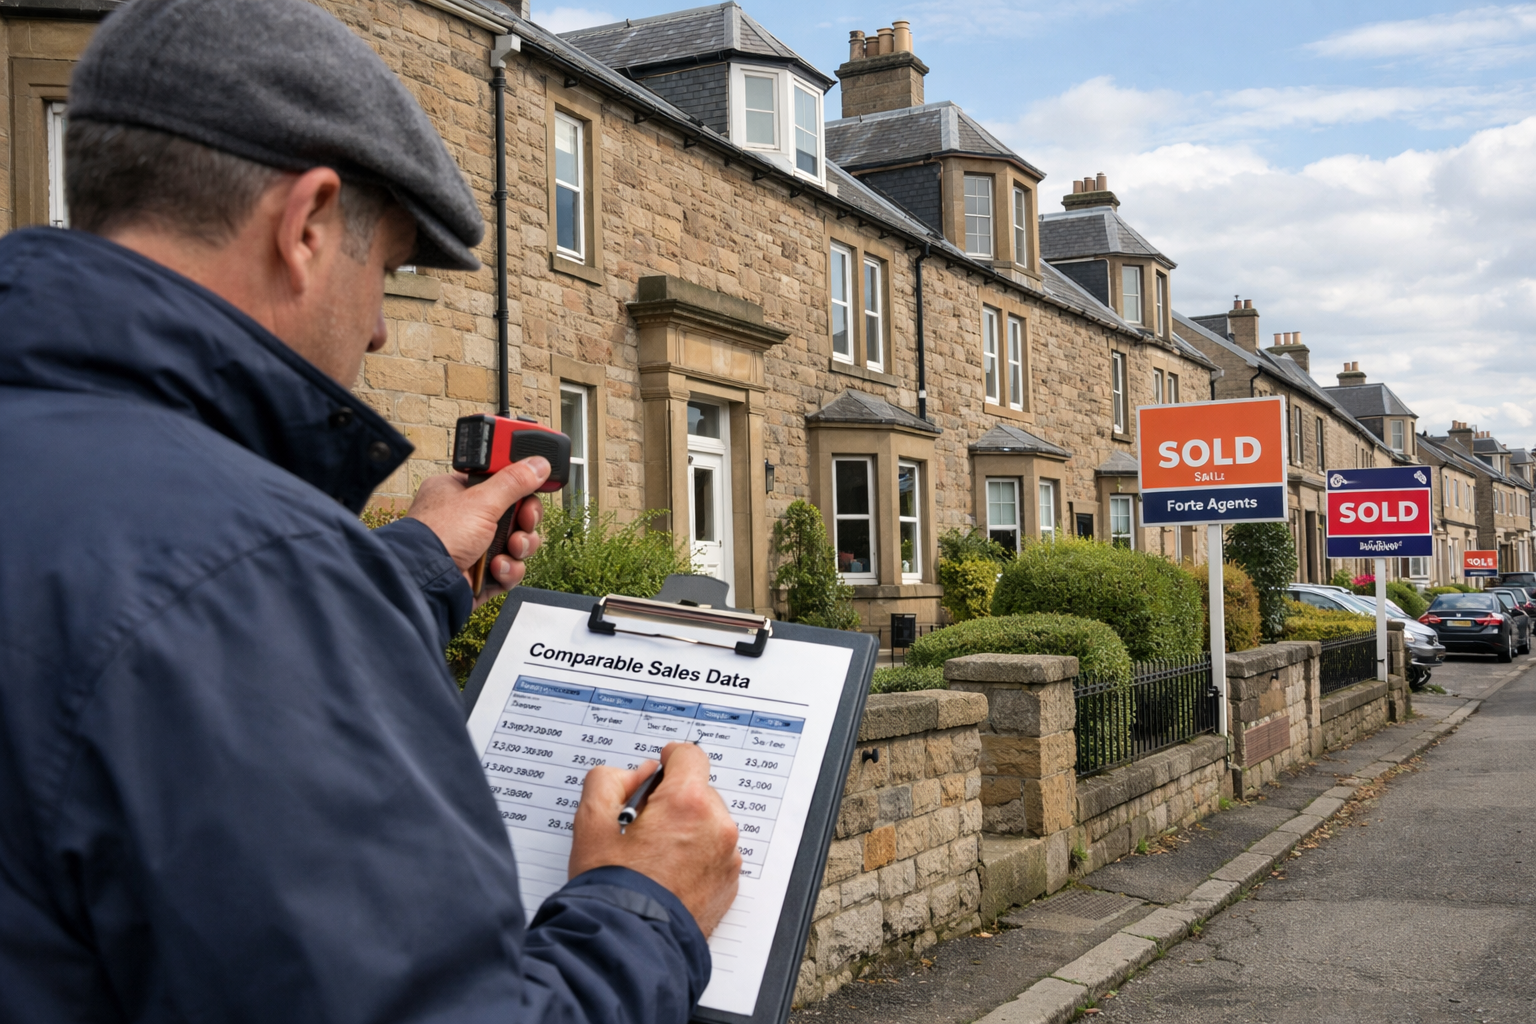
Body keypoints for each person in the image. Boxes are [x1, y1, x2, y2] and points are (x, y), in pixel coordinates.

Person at [0, 1, 741, 1021]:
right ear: (306, 224)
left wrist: (408, 569)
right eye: (388, 270)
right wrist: (646, 907)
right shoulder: (255, 578)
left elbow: (124, 621)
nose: (385, 329)